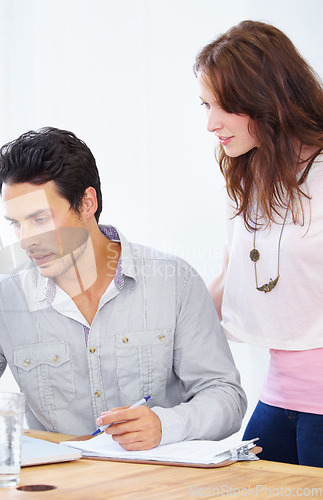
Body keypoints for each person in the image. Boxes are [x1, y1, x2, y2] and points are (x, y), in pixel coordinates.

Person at [0, 126, 246, 451]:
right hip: (59, 485)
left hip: (155, 480)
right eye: (16, 224)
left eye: (40, 220)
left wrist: (166, 425)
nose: (26, 241)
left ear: (87, 202)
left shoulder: (174, 282)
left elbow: (226, 396)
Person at [194, 20, 323, 466]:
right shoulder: (251, 178)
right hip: (279, 398)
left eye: (222, 106)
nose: (211, 123)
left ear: (266, 100)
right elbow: (231, 278)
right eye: (205, 105)